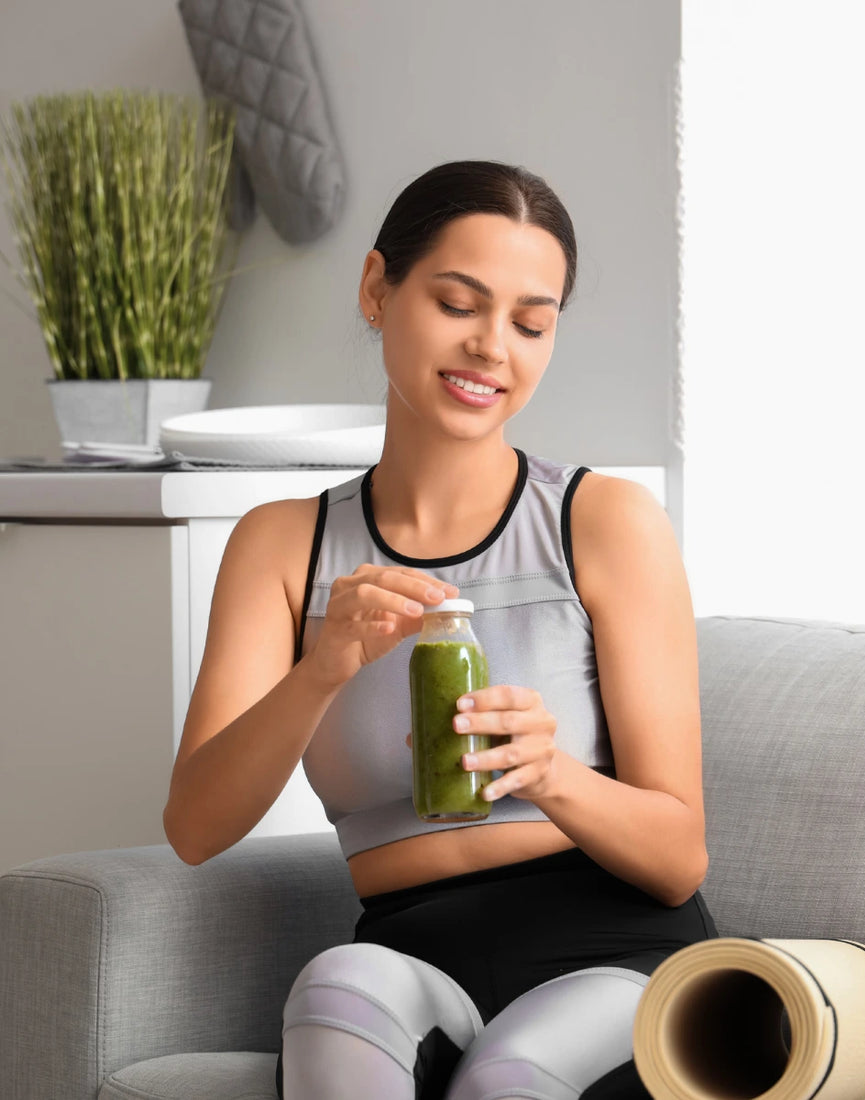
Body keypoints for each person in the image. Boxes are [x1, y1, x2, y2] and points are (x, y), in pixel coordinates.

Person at [163, 160, 714, 1100]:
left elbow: (678, 858)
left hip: (615, 951)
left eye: (531, 324)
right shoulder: (284, 546)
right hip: (410, 951)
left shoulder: (603, 522)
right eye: (460, 303)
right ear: (378, 289)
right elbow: (196, 826)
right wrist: (319, 671)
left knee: (511, 1077)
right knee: (332, 993)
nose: (493, 347)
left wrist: (553, 775)